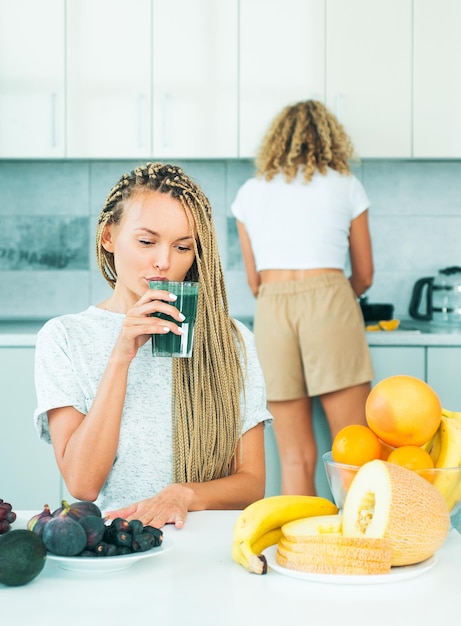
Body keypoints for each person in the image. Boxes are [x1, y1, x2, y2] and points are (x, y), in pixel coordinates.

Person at [34, 162, 271, 529]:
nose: (164, 261)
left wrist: (184, 495)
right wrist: (122, 354)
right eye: (147, 241)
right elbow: (82, 483)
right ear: (108, 236)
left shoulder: (231, 341)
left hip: (211, 545)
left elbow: (252, 483)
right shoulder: (65, 337)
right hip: (121, 543)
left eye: (182, 247)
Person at [231, 99, 374, 496]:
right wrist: (341, 300)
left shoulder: (249, 193)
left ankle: (302, 552)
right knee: (354, 450)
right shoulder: (346, 185)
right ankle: (360, 544)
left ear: (276, 141)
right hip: (330, 302)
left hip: (272, 308)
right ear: (331, 139)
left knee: (295, 457)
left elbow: (254, 280)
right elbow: (364, 274)